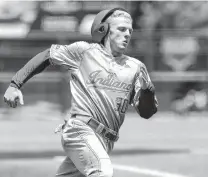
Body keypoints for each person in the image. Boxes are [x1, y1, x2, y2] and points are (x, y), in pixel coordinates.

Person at [3, 7, 158, 177]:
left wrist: (147, 92)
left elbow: (146, 112)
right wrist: (15, 84)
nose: (127, 34)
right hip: (81, 130)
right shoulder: (84, 52)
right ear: (103, 30)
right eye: (121, 29)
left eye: (130, 30)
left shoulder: (136, 67)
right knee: (102, 172)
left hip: (106, 140)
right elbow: (47, 55)